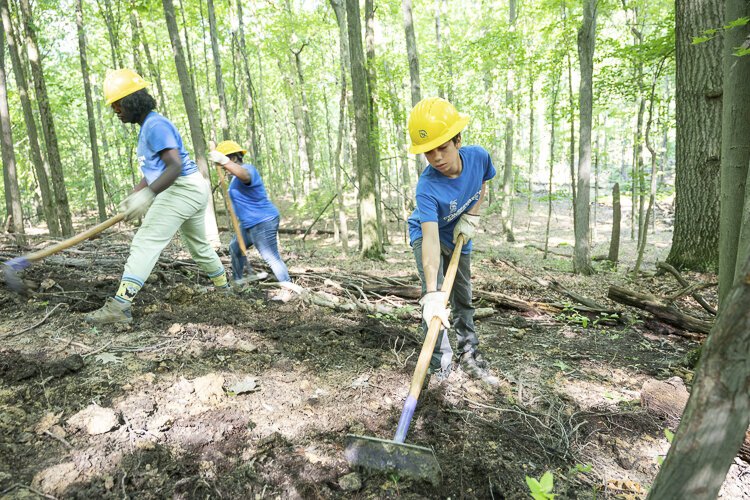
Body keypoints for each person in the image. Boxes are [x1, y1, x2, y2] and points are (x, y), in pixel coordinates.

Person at [85, 69, 230, 325]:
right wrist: (136, 194)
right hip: (193, 188)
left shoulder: (155, 125)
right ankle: (225, 289)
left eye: (118, 104)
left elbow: (173, 166)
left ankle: (119, 306)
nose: (115, 110)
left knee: (145, 241)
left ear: (132, 101)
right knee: (199, 245)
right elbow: (157, 170)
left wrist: (149, 195)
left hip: (182, 188)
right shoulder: (148, 127)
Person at [406, 97, 498, 385]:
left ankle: (470, 355)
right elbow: (431, 240)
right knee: (435, 303)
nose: (437, 158)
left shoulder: (479, 157)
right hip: (429, 236)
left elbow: (482, 182)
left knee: (462, 298)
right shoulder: (427, 186)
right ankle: (438, 365)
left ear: (457, 140)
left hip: (461, 233)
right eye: (428, 153)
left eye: (442, 148)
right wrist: (432, 292)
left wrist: (471, 216)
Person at [207, 141, 298, 302]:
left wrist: (223, 161)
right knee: (235, 248)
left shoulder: (248, 170)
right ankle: (237, 283)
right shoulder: (234, 179)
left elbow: (245, 175)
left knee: (270, 256)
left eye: (226, 162)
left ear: (234, 158)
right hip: (248, 224)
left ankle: (287, 289)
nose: (224, 169)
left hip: (263, 220)